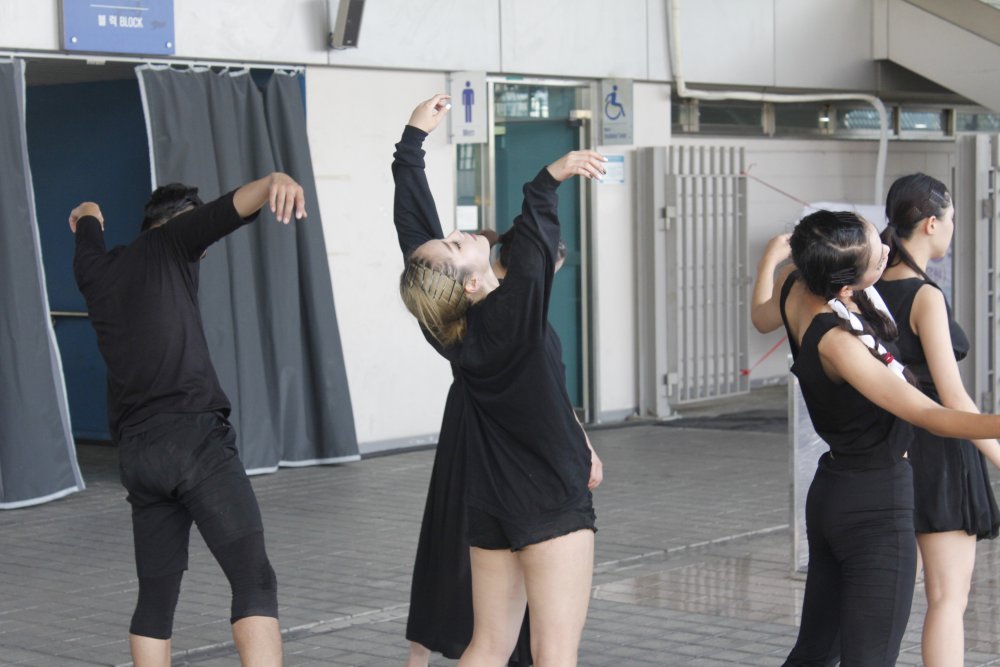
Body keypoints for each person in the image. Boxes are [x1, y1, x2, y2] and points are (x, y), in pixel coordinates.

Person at [394, 94, 604, 666]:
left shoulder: (447, 328)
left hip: (490, 501)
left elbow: (415, 241)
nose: (458, 233)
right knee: (553, 652)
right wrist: (546, 180)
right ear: (468, 283)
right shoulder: (511, 315)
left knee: (488, 647)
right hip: (548, 498)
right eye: (455, 243)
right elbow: (534, 249)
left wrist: (412, 144)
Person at [70, 173, 306, 667]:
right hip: (193, 440)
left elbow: (85, 220)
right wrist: (273, 181)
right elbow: (231, 208)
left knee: (155, 603)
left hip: (138, 455)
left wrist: (89, 210)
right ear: (180, 224)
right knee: (254, 580)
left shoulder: (95, 270)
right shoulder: (172, 241)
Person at [750, 210, 1000, 666]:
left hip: (833, 491)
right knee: (869, 657)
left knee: (815, 653)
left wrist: (771, 257)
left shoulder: (795, 285)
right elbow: (928, 414)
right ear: (847, 289)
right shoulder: (838, 344)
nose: (887, 247)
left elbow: (761, 317)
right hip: (875, 503)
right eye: (878, 256)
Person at [875, 173, 1000, 666]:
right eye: (951, 219)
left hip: (884, 448)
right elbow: (953, 398)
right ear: (931, 224)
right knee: (948, 598)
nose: (951, 229)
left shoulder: (866, 288)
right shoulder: (925, 296)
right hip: (939, 455)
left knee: (885, 600)